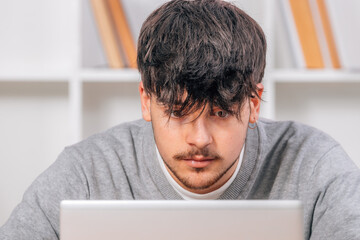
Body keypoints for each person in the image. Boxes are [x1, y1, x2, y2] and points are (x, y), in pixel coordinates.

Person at [1, 0, 360, 239]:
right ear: (146, 101)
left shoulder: (316, 166)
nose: (199, 139)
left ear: (254, 103)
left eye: (220, 113)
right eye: (177, 112)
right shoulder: (84, 173)